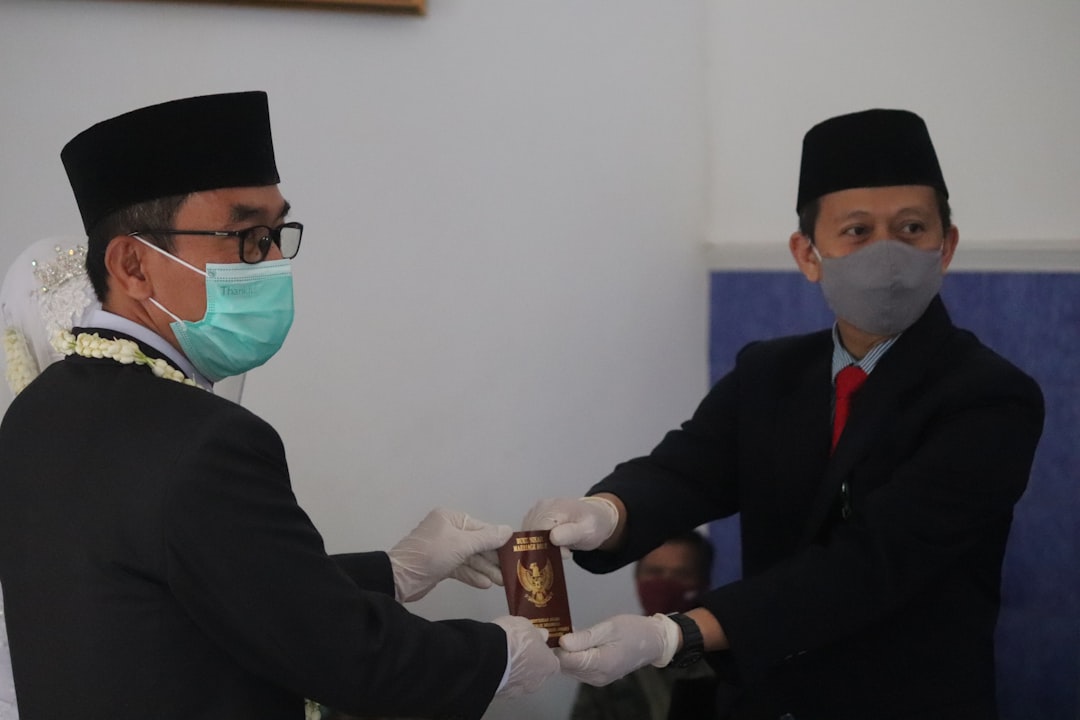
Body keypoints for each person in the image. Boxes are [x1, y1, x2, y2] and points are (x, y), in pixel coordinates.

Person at [0, 91, 558, 720]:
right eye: (243, 237)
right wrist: (499, 655)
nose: (270, 263)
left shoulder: (38, 413)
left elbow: (192, 590)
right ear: (133, 264)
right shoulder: (205, 441)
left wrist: (393, 572)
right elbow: (353, 661)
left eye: (274, 235)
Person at [522, 109, 1045, 719]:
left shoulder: (989, 397)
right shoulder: (770, 373)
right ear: (808, 254)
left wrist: (678, 634)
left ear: (946, 245)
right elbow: (688, 471)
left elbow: (872, 564)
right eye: (856, 231)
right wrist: (603, 513)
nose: (887, 253)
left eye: (910, 228)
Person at [568, 531, 719, 720]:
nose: (664, 583)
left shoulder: (725, 656)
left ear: (703, 581)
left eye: (681, 574)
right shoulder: (611, 656)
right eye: (655, 572)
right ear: (638, 577)